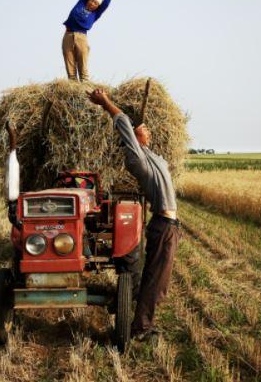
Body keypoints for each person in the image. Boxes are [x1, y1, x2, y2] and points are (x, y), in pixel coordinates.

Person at [86, 88, 180, 340]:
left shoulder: (151, 157)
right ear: (133, 139)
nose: (147, 130)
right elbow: (123, 122)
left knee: (155, 279)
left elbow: (141, 136)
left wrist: (142, 136)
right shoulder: (137, 160)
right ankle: (141, 328)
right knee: (156, 283)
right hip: (164, 225)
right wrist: (106, 102)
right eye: (142, 129)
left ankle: (132, 312)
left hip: (169, 226)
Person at [63, 0, 121, 81]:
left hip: (81, 38)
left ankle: (85, 87)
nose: (92, 3)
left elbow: (106, 4)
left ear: (97, 7)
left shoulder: (95, 14)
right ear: (88, 0)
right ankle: (72, 88)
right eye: (92, 0)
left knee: (82, 67)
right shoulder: (80, 4)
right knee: (70, 67)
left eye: (95, 3)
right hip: (68, 36)